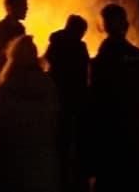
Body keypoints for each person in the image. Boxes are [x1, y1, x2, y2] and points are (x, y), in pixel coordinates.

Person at [0, 35, 60, 192]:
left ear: (12, 59)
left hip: (10, 174)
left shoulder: (3, 94)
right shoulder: (50, 90)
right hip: (43, 172)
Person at [89, 4, 139, 192]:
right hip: (135, 133)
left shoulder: (101, 61)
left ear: (104, 26)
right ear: (125, 25)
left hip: (109, 137)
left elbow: (95, 99)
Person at [44, 15, 90, 192]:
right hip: (74, 97)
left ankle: (58, 172)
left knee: (59, 137)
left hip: (57, 95)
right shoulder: (79, 46)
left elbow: (48, 62)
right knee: (72, 138)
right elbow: (83, 71)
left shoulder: (55, 42)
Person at [0, 0, 29, 84]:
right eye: (23, 5)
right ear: (11, 7)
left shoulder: (20, 28)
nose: (26, 8)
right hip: (6, 81)